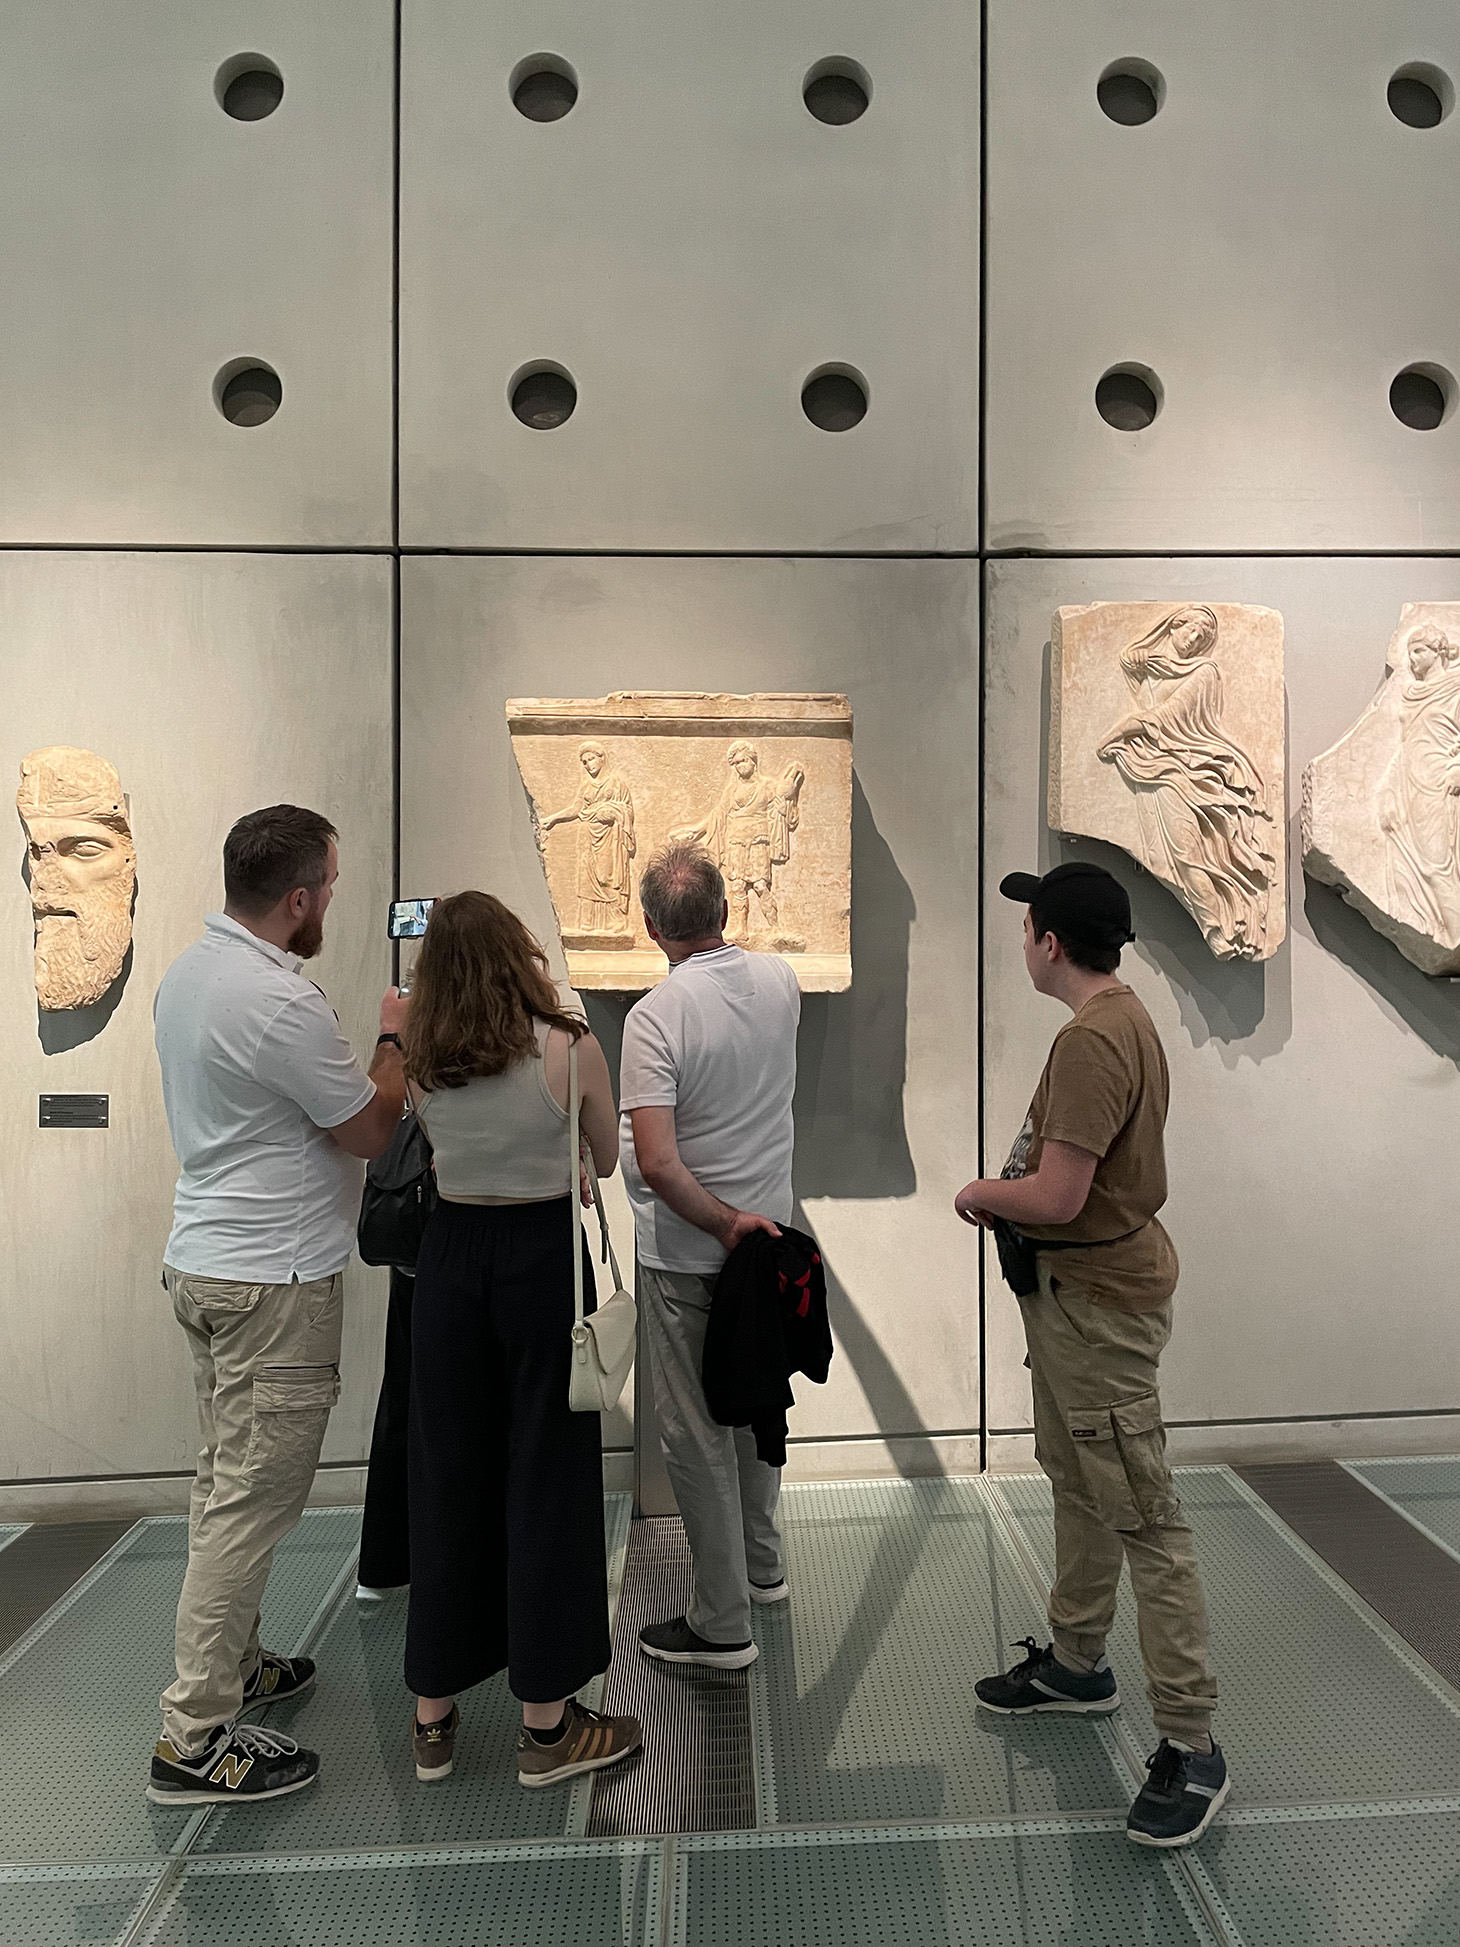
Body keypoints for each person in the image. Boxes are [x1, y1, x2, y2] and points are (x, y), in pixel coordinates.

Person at [955, 861, 1229, 1850]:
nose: (1021, 941)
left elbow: (1058, 1195)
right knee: (1077, 1479)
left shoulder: (1089, 1042)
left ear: (1050, 944)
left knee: (1143, 1514)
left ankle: (1192, 1743)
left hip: (1096, 1307)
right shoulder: (1122, 1018)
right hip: (1078, 1298)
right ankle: (1077, 1661)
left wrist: (979, 1194)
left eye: (1026, 926)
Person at [149, 805, 408, 1804]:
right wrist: (393, 1039)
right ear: (298, 898)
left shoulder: (187, 976)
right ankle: (194, 1737)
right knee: (251, 1506)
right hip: (272, 1285)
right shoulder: (280, 1002)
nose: (332, 902)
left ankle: (239, 1663)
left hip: (207, 1264)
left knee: (224, 1484)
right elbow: (369, 1128)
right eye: (330, 888)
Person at [401, 892, 640, 1788]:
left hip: (449, 1259)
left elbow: (434, 1153)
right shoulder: (569, 1047)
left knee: (447, 1476)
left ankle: (432, 1718)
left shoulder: (419, 1058)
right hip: (541, 1259)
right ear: (519, 955)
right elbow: (604, 1158)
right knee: (547, 1474)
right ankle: (547, 1728)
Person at [624, 842, 800, 1670]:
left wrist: (723, 1223)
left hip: (694, 1252)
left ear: (652, 927)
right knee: (760, 1403)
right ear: (726, 912)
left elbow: (658, 1162)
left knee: (695, 1434)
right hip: (770, 1243)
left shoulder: (656, 1016)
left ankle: (722, 1622)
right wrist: (745, 1223)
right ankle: (763, 1570)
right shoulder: (781, 981)